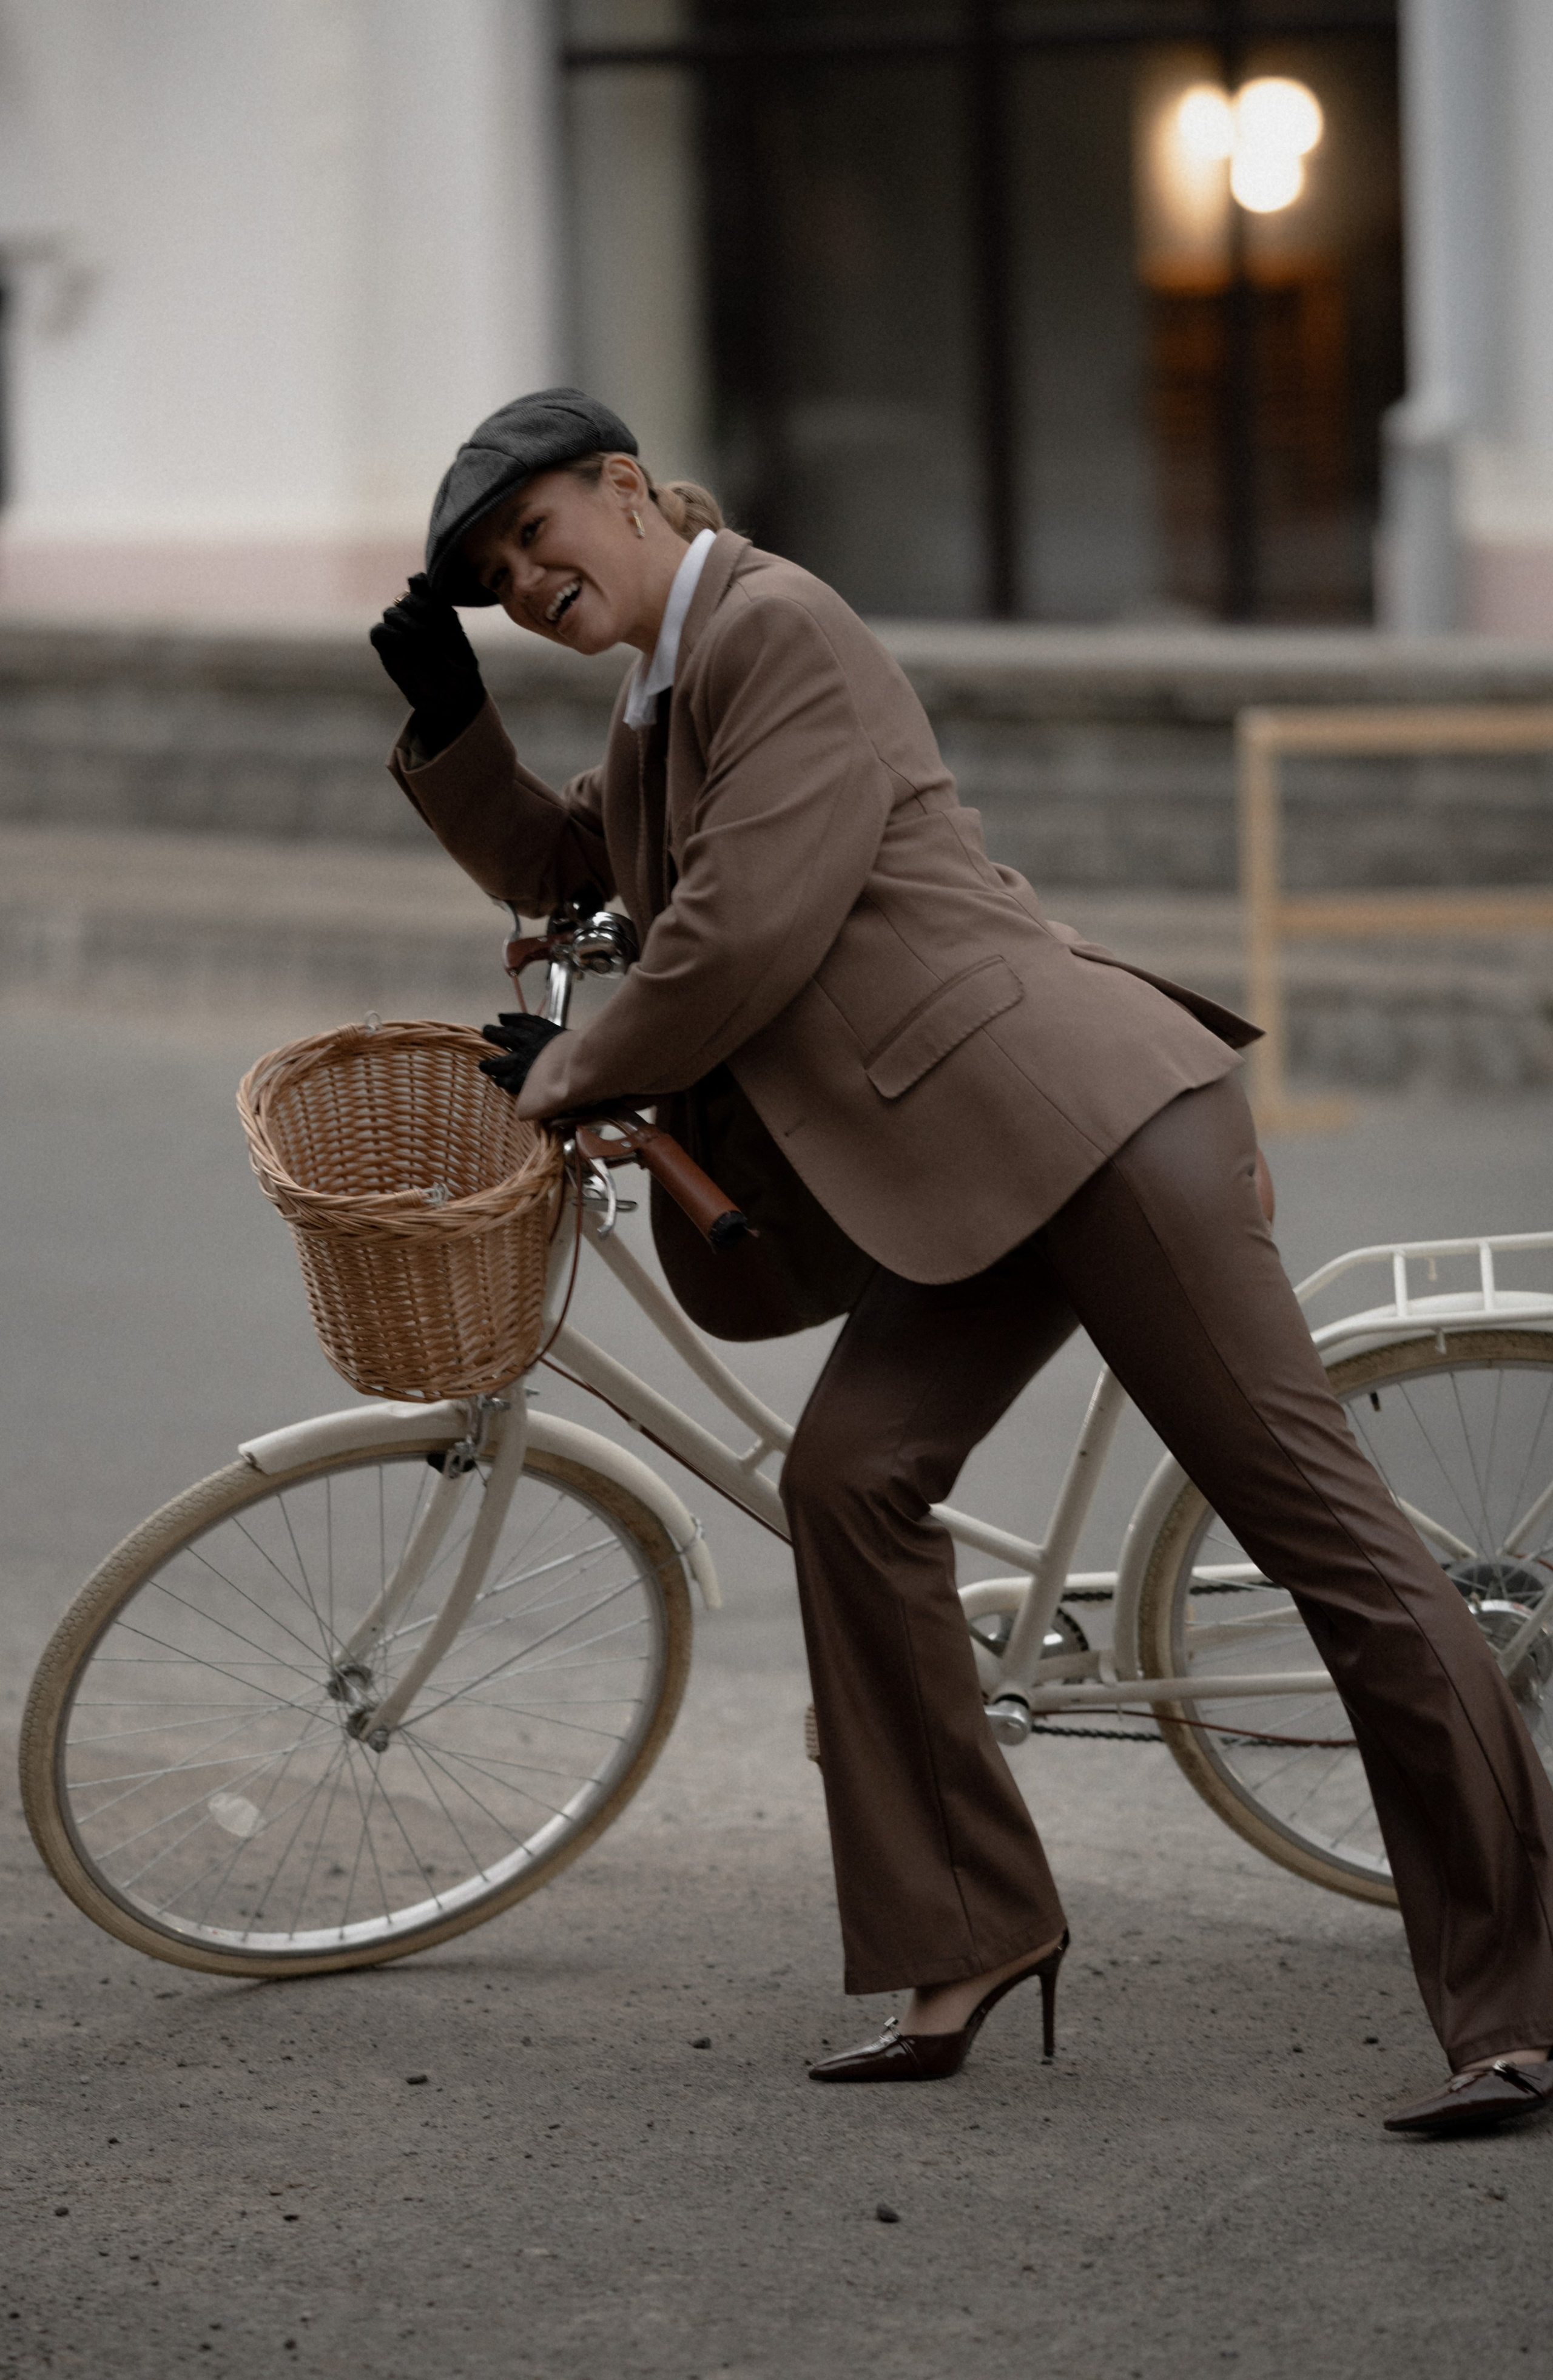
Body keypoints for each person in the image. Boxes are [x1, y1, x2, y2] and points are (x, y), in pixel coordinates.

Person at [372, 387, 1553, 2137]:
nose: (522, 578)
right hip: (966, 1167)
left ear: (626, 490)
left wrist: (576, 1067)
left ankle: (1517, 2002)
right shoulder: (659, 696)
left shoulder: (776, 625)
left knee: (1332, 1543)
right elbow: (587, 873)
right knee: (854, 1481)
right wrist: (453, 729)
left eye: (534, 534)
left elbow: (742, 923)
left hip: (1097, 1123)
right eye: (489, 576)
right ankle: (972, 1932)